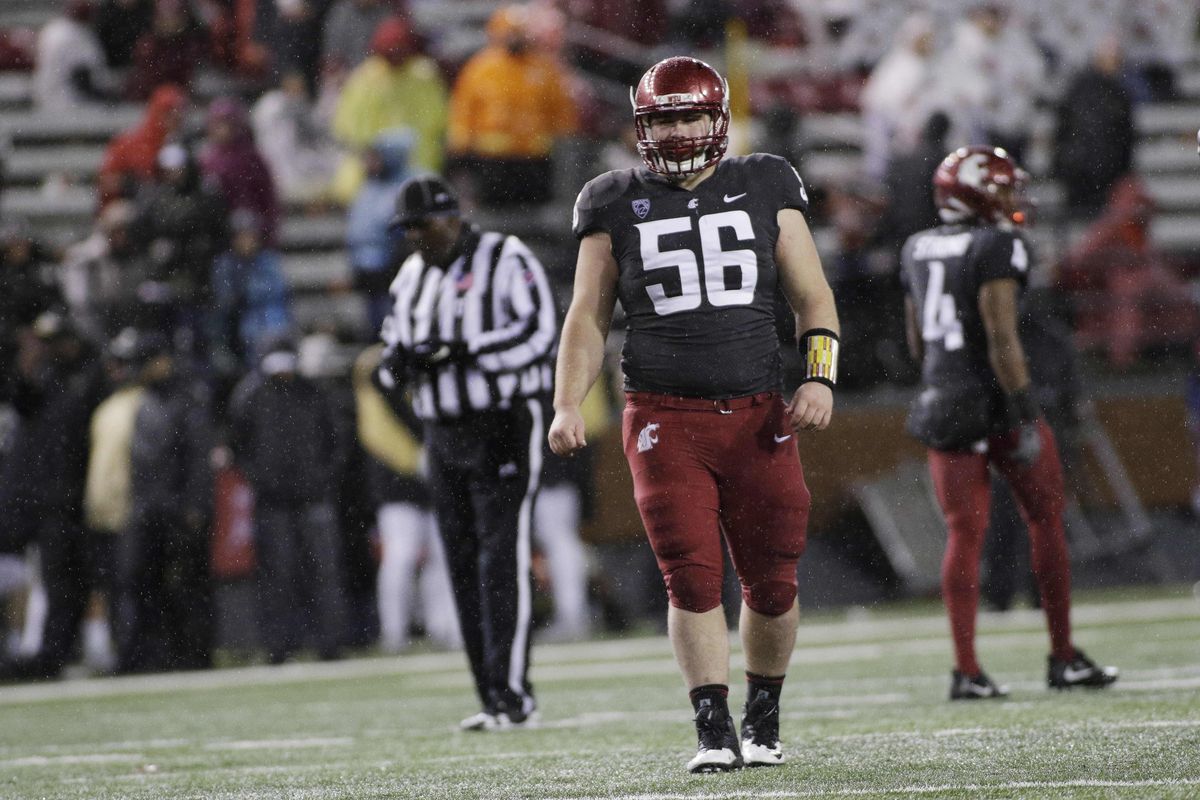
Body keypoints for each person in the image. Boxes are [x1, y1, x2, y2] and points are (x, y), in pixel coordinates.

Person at [548, 56, 839, 773]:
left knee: (772, 580)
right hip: (663, 417)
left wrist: (820, 378)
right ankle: (711, 724)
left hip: (757, 413)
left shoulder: (765, 180)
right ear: (641, 126)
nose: (678, 129)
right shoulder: (612, 198)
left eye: (689, 115)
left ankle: (763, 708)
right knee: (691, 573)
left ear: (718, 118)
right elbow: (586, 318)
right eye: (664, 118)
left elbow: (813, 298)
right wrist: (565, 401)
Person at [898, 144, 1119, 701]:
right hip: (995, 399)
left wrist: (943, 382)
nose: (1012, 197)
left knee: (963, 535)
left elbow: (917, 340)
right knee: (1045, 518)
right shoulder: (1000, 244)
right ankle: (1062, 656)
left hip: (943, 397)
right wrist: (1022, 409)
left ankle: (967, 670)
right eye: (1001, 188)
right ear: (976, 194)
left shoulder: (916, 246)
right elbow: (1001, 337)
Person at [377, 174, 556, 729]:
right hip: (442, 431)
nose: (416, 238)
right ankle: (490, 696)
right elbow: (390, 352)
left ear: (452, 217)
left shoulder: (505, 255)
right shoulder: (409, 277)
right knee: (459, 563)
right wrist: (399, 365)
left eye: (423, 225)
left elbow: (540, 331)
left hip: (501, 420)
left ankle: (513, 696)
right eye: (408, 229)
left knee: (500, 558)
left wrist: (465, 350)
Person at [229, 333, 350, 663]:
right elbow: (239, 447)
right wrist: (261, 481)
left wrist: (322, 479)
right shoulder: (250, 396)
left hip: (314, 497)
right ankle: (279, 646)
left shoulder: (314, 394)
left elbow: (337, 442)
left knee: (323, 571)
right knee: (277, 575)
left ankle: (330, 644)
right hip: (272, 501)